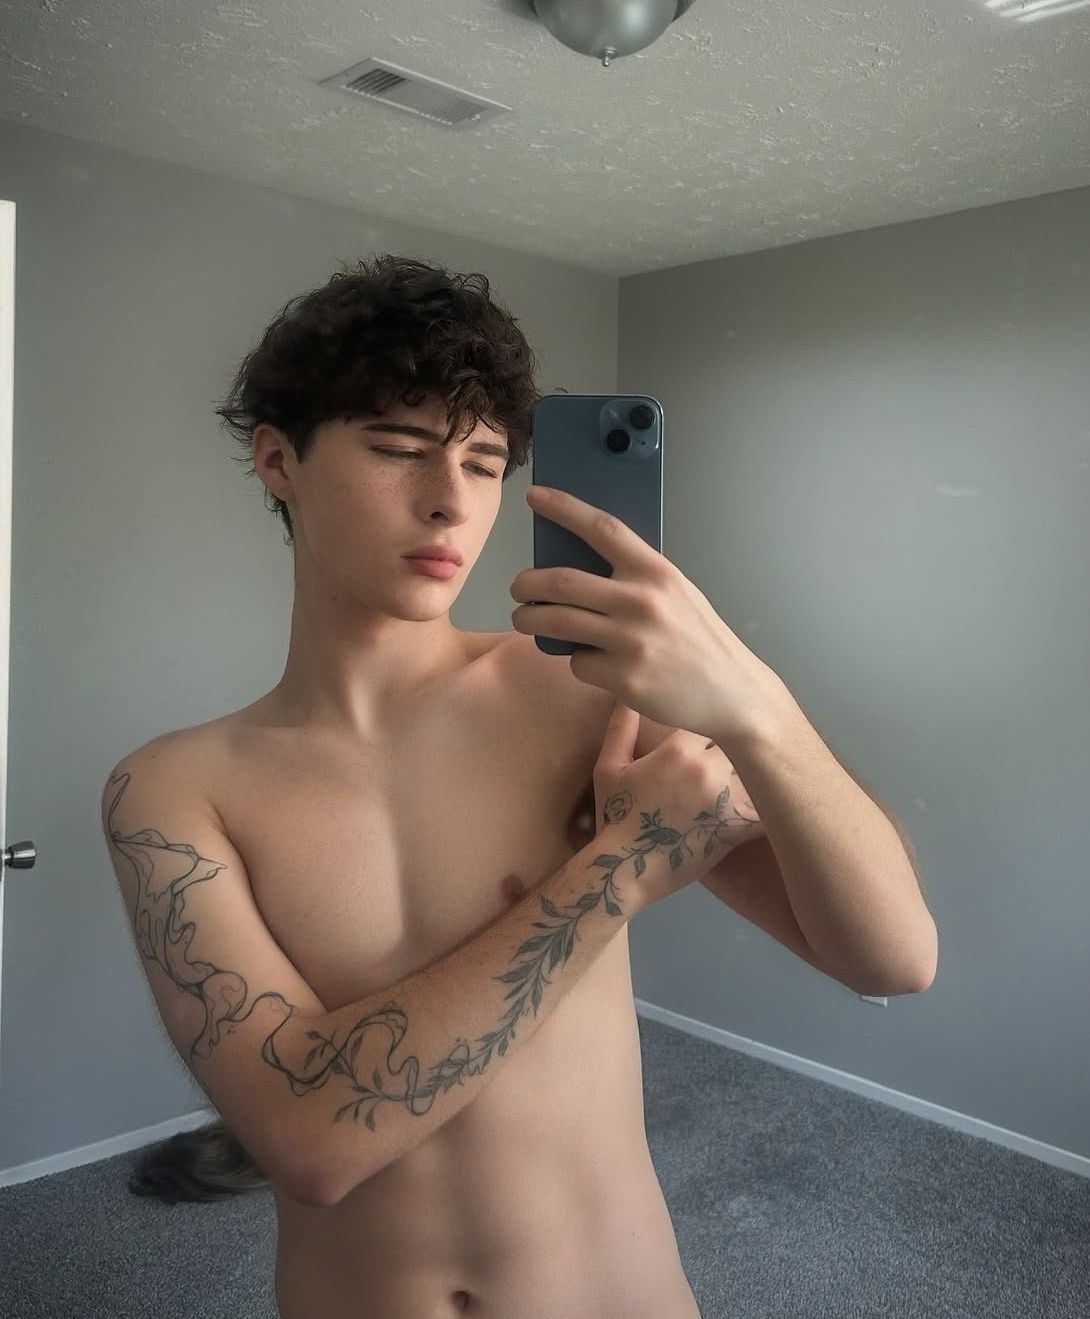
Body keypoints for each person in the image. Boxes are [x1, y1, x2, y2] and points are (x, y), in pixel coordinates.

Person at [102, 253, 935, 1317]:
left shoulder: (583, 698)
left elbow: (892, 955)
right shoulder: (174, 789)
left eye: (485, 461)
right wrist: (621, 866)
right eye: (398, 449)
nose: (449, 501)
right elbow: (308, 1141)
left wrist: (754, 705)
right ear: (279, 460)